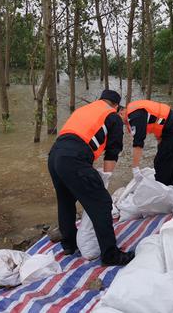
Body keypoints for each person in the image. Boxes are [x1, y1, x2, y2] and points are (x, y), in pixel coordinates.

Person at [48, 89, 134, 266]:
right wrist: (106, 176)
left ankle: (69, 245)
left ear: (101, 99)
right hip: (73, 158)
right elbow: (112, 151)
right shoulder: (113, 116)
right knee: (102, 203)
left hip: (54, 155)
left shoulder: (84, 109)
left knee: (65, 201)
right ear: (117, 106)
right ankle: (111, 255)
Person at [121, 100, 173, 186]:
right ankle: (167, 186)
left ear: (121, 112)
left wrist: (135, 168)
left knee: (164, 163)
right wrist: (160, 143)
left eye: (122, 122)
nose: (124, 124)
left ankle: (165, 188)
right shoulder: (133, 111)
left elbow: (138, 143)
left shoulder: (135, 116)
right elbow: (155, 122)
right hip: (169, 130)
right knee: (161, 161)